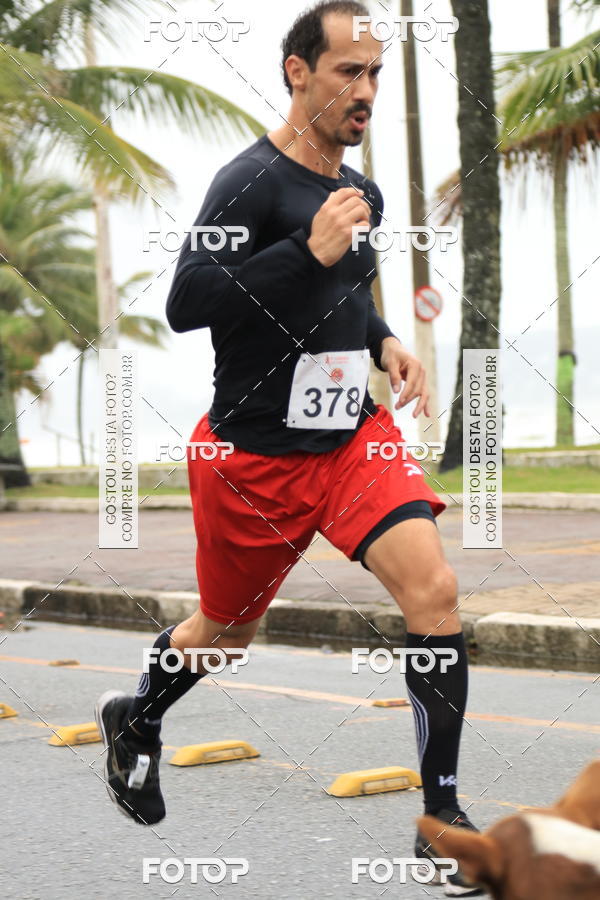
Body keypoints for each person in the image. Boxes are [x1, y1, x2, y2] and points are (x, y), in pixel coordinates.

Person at [96, 2, 482, 894]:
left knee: (435, 588)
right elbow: (188, 299)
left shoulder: (362, 193)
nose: (367, 91)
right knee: (229, 634)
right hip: (256, 456)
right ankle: (139, 716)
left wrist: (385, 340)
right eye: (349, 71)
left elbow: (347, 292)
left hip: (352, 435)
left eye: (377, 72)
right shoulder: (250, 183)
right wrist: (304, 253)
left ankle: (441, 819)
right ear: (296, 73)